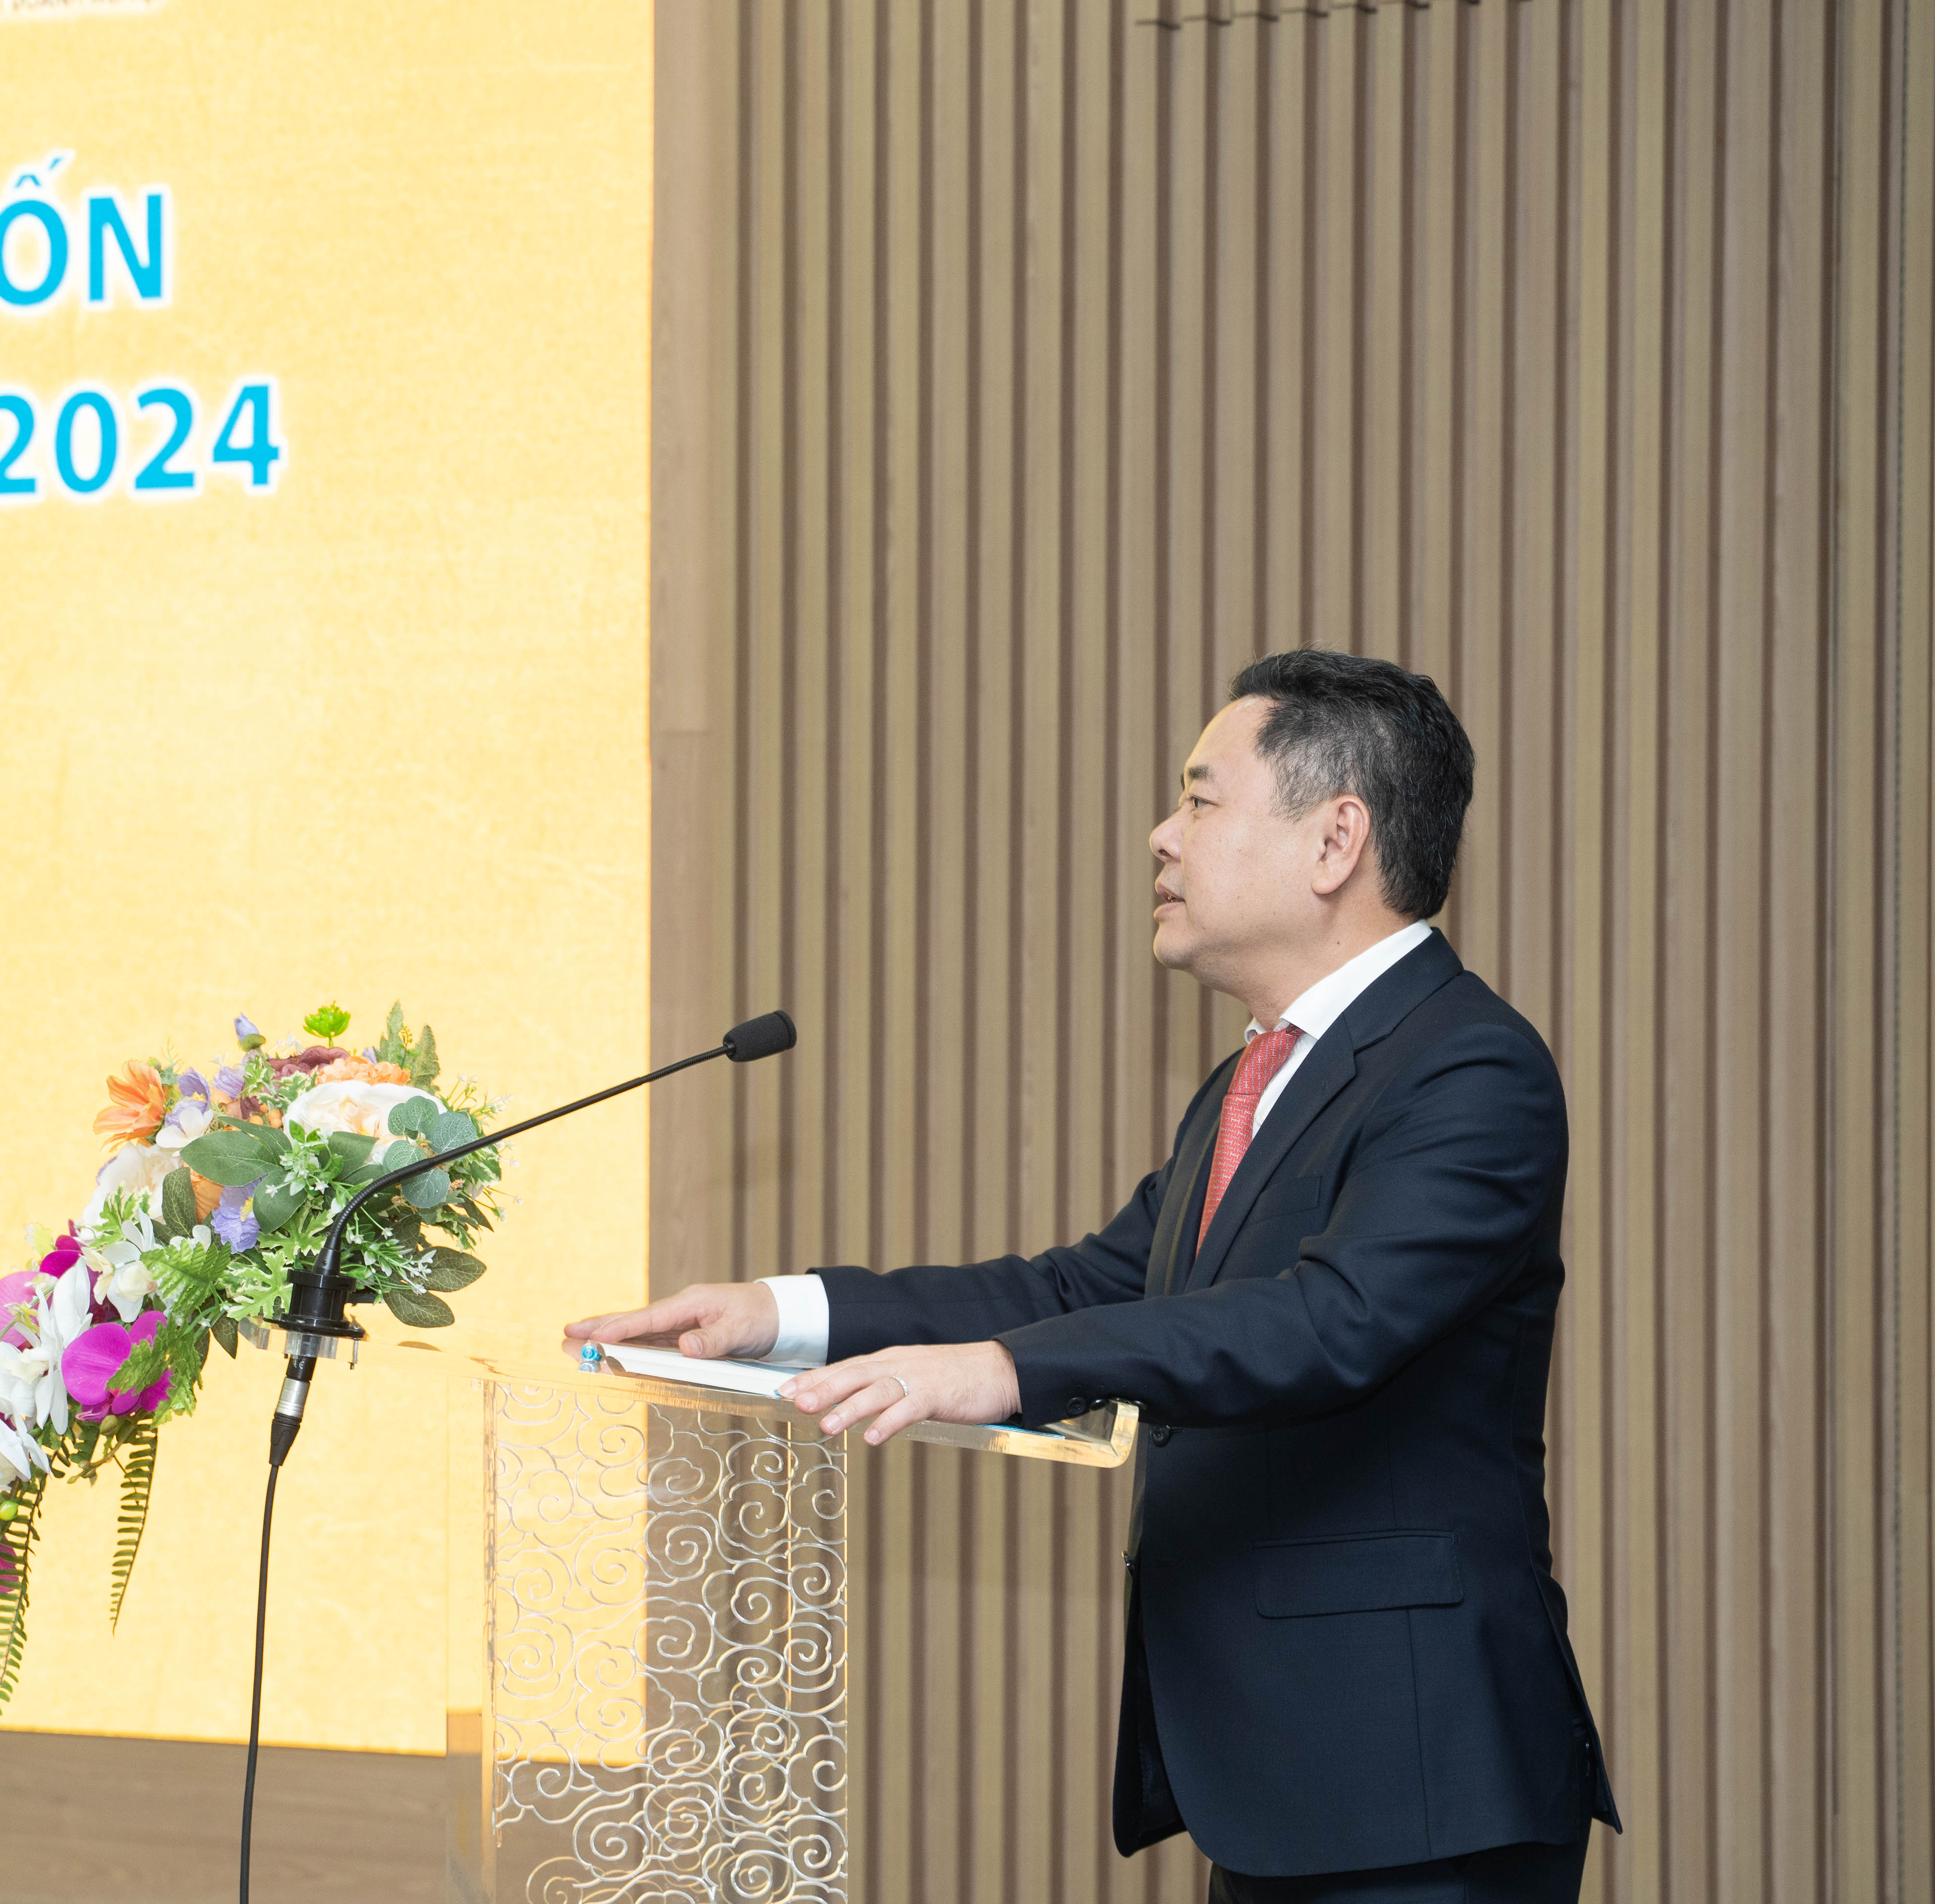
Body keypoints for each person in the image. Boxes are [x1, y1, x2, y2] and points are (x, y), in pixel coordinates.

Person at [568, 648, 1618, 1903]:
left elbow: (1334, 1321)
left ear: (1336, 838)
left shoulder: (1468, 1067)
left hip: (1416, 1779)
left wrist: (1006, 1372)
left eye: (1200, 799)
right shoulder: (1256, 1079)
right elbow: (1086, 1288)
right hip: (1291, 1780)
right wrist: (781, 1313)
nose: (1162, 836)